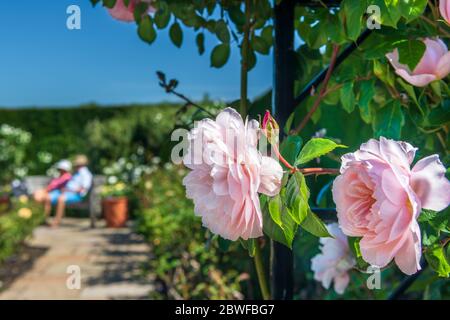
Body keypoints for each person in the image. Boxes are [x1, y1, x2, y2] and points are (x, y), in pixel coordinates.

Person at [45, 155, 93, 227]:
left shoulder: (86, 174)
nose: (77, 166)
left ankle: (56, 222)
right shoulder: (76, 173)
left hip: (76, 195)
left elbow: (83, 189)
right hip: (65, 192)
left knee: (61, 198)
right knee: (47, 197)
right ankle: (45, 219)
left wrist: (69, 190)